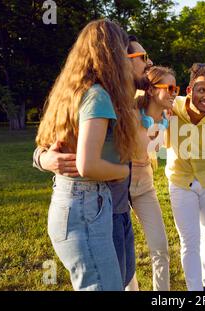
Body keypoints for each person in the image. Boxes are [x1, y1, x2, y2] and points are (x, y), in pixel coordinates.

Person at [34, 19, 138, 290]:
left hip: (72, 202)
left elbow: (51, 146)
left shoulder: (70, 92)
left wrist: (44, 159)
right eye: (123, 52)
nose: (127, 60)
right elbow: (88, 164)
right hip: (85, 205)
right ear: (112, 54)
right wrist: (124, 170)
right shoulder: (97, 96)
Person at [166, 63, 205, 291]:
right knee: (189, 241)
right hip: (180, 181)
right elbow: (140, 94)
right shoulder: (172, 106)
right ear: (190, 89)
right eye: (202, 90)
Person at [129, 66, 180, 291]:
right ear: (150, 90)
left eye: (175, 88)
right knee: (123, 250)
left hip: (145, 188)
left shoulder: (166, 116)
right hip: (120, 186)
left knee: (160, 247)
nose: (173, 93)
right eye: (168, 88)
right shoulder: (131, 114)